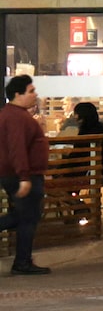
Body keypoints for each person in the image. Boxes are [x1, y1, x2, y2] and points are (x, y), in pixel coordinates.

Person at [1, 75, 47, 276]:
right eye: (31, 91)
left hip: (19, 174)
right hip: (22, 175)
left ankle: (23, 260)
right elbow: (16, 148)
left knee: (26, 215)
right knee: (27, 217)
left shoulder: (11, 115)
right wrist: (24, 177)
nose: (35, 94)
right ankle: (22, 262)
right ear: (18, 94)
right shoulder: (16, 117)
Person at [71, 101, 103, 177]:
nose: (74, 117)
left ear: (81, 116)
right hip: (101, 170)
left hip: (89, 173)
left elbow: (78, 155)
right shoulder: (100, 129)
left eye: (75, 114)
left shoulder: (87, 132)